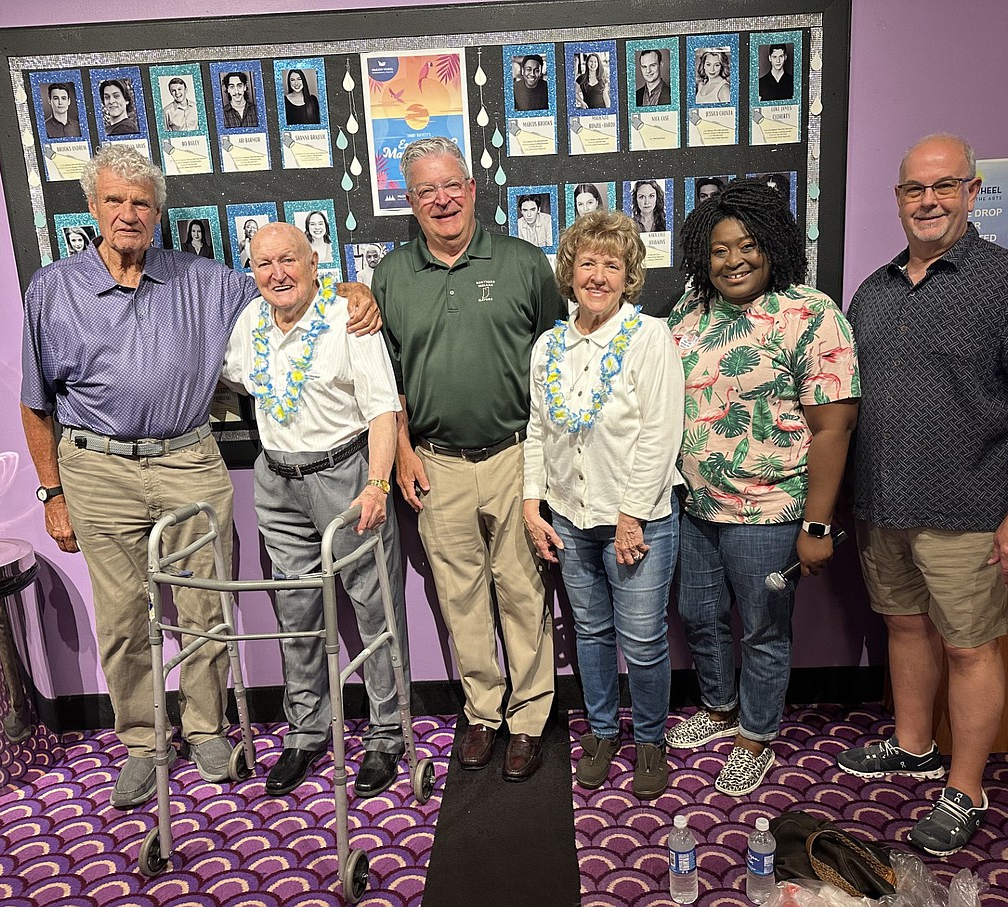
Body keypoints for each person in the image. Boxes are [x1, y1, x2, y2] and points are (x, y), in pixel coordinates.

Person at [19, 145, 379, 811]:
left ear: (157, 213)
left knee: (205, 604)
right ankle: (143, 741)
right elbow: (35, 402)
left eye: (142, 203)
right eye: (115, 201)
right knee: (125, 615)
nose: (129, 213)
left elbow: (289, 286)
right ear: (92, 208)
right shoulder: (53, 289)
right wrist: (52, 493)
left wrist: (351, 290)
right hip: (95, 470)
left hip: (188, 459)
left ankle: (207, 728)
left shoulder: (203, 279)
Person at [837, 134, 1008, 855]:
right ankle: (914, 745)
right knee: (905, 630)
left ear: (973, 193)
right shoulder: (872, 290)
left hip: (972, 511)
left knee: (971, 648)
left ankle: (965, 787)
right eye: (915, 189)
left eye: (945, 186)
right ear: (899, 198)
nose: (929, 200)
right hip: (883, 505)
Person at [371, 136, 566, 781]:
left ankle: (530, 717)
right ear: (411, 201)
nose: (442, 200)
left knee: (522, 588)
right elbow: (385, 375)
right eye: (426, 191)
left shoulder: (522, 263)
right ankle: (483, 710)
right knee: (460, 597)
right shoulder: (393, 275)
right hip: (435, 463)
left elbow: (555, 359)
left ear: (474, 189)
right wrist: (401, 452)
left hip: (515, 457)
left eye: (451, 185)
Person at [664, 179, 859, 796]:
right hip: (693, 505)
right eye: (719, 250)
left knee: (763, 628)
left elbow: (835, 425)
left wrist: (818, 525)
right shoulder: (688, 315)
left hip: (771, 509)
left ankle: (756, 735)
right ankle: (720, 709)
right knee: (699, 615)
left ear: (772, 245)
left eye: (747, 245)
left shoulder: (811, 313)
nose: (734, 260)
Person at [220, 223, 407, 798]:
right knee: (295, 611)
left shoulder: (349, 318)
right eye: (263, 263)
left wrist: (377, 484)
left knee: (375, 608)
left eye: (288, 260)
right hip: (275, 479)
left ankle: (386, 734)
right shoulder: (249, 321)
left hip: (345, 474)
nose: (277, 273)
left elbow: (381, 410)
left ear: (313, 261)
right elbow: (230, 380)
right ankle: (305, 732)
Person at [523, 210, 684, 799]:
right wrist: (530, 504)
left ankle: (648, 740)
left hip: (635, 520)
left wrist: (630, 515)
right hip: (569, 516)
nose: (597, 275)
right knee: (590, 632)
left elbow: (661, 434)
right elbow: (539, 429)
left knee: (641, 639)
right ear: (569, 270)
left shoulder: (649, 338)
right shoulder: (549, 346)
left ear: (628, 275)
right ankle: (599, 731)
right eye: (587, 262)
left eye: (611, 265)